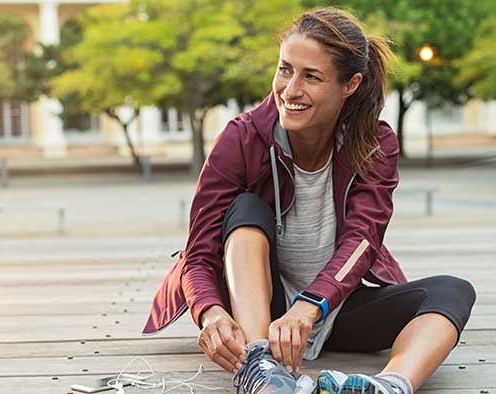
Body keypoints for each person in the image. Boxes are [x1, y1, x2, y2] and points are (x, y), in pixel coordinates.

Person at [143, 7, 476, 394]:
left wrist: (310, 306)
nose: (290, 89)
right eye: (285, 69)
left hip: (332, 309)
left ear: (349, 85)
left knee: (453, 290)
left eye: (311, 77)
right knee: (246, 208)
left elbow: (363, 241)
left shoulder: (375, 144)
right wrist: (210, 311)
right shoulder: (242, 138)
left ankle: (389, 386)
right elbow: (199, 254)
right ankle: (259, 365)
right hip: (260, 316)